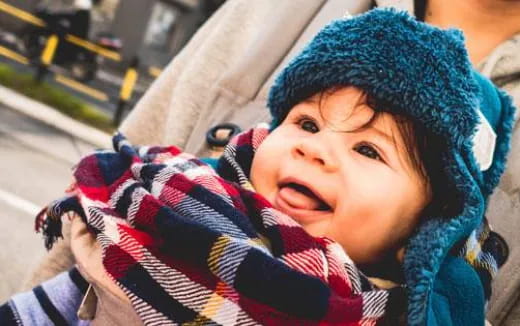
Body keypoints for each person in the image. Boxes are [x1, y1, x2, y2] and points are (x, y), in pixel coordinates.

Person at [2, 9, 515, 325]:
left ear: (424, 233)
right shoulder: (164, 229)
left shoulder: (390, 315)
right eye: (307, 124)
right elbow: (46, 306)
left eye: (368, 151)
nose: (314, 150)